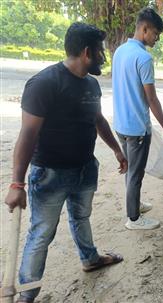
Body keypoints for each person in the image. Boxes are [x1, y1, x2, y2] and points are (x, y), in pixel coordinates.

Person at [4, 22, 128, 303]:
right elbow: (27, 135)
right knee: (41, 235)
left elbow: (98, 120)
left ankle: (90, 258)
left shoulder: (91, 84)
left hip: (84, 169)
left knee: (81, 217)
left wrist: (117, 150)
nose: (102, 56)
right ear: (87, 52)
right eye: (99, 51)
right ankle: (27, 294)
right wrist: (16, 183)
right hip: (49, 175)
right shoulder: (44, 83)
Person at [112, 8, 163, 230]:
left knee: (130, 170)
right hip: (137, 128)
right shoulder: (144, 58)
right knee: (135, 174)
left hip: (120, 124)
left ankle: (134, 204)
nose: (157, 38)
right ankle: (134, 219)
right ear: (144, 29)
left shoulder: (120, 51)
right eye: (156, 33)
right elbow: (152, 99)